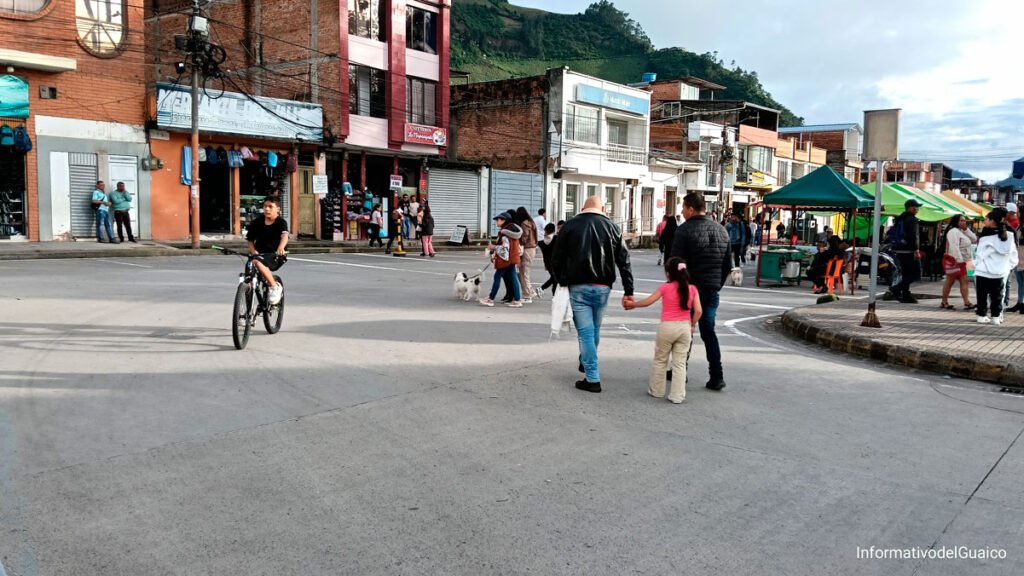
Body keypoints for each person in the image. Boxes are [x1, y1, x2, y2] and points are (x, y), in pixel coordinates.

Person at [552, 196, 634, 393]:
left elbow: (556, 258)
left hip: (578, 285)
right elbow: (624, 260)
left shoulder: (570, 226)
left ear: (582, 208)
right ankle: (587, 360)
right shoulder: (613, 228)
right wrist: (628, 290)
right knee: (594, 330)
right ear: (603, 208)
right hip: (603, 286)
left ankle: (592, 377)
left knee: (586, 332)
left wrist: (561, 279)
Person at [671, 193, 731, 391]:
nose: (681, 211)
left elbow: (676, 263)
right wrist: (716, 284)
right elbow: (727, 265)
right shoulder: (722, 230)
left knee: (684, 330)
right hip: (711, 289)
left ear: (690, 209)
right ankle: (717, 375)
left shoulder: (684, 230)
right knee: (708, 331)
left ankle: (680, 370)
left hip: (689, 288)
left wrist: (677, 285)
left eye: (683, 208)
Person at [625, 257, 702, 404]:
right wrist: (692, 324)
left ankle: (657, 390)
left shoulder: (665, 288)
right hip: (684, 327)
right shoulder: (692, 289)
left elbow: (648, 302)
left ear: (668, 274)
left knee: (661, 359)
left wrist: (633, 304)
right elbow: (698, 310)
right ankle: (677, 395)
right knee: (679, 363)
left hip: (667, 327)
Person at [974, 209, 1019, 325]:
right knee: (998, 296)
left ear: (992, 221)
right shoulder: (1009, 235)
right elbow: (1013, 254)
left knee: (982, 295)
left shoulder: (985, 236)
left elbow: (979, 254)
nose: (985, 221)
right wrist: (1008, 267)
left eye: (987, 219)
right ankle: (996, 317)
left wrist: (977, 265)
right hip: (1000, 271)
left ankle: (981, 315)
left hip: (983, 271)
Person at [246, 196, 288, 305]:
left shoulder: (281, 222)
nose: (267, 209)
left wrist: (281, 248)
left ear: (277, 209)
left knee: (257, 262)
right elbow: (250, 240)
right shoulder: (257, 222)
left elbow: (284, 236)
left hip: (275, 255)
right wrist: (253, 251)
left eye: (270, 207)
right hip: (259, 253)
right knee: (250, 265)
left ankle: (274, 286)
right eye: (265, 206)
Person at [480, 211, 523, 307]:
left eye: (498, 220)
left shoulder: (504, 234)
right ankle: (517, 300)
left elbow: (504, 249)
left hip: (505, 260)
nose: (496, 222)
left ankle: (490, 299)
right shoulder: (514, 232)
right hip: (513, 258)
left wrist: (493, 247)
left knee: (497, 277)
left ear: (504, 220)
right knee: (514, 278)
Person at [886, 199, 923, 304]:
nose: (917, 209)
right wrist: (916, 250)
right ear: (910, 207)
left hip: (898, 249)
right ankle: (895, 289)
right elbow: (913, 236)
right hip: (909, 251)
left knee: (906, 273)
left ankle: (906, 295)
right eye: (916, 207)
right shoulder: (912, 219)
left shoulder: (899, 218)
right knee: (915, 274)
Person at [940, 215, 976, 310]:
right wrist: (958, 260)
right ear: (956, 221)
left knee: (962, 281)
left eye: (964, 221)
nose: (963, 222)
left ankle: (966, 302)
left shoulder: (962, 232)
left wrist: (966, 230)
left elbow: (974, 239)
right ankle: (945, 301)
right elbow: (954, 246)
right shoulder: (953, 232)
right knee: (951, 281)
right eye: (961, 221)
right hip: (954, 260)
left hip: (962, 261)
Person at [515, 206, 539, 303]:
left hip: (527, 248)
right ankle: (530, 292)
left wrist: (520, 244)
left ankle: (527, 295)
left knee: (523, 272)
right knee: (524, 271)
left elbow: (524, 236)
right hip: (532, 248)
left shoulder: (524, 223)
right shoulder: (531, 222)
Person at [1003, 202, 1019, 308]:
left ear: (1011, 213)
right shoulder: (1008, 222)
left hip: (1011, 256)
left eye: (1006, 212)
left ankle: (1005, 301)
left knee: (1007, 280)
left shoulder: (1015, 223)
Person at [538, 222, 558, 294]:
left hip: (547, 262)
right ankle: (542, 288)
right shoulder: (556, 238)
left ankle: (553, 294)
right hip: (556, 262)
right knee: (555, 278)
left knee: (554, 278)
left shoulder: (541, 242)